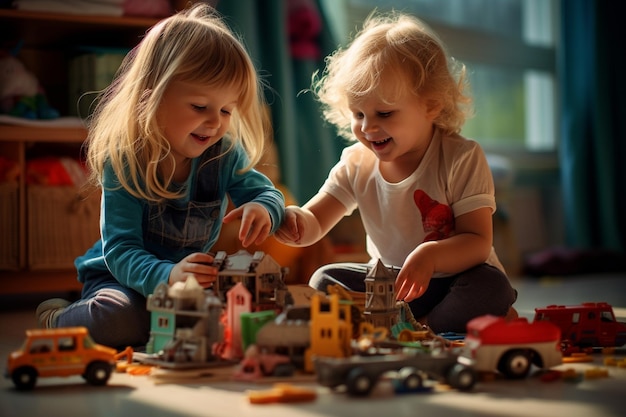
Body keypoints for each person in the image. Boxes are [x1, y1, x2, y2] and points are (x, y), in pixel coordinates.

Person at [36, 3, 285, 349]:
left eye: (226, 110)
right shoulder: (126, 159)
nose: (215, 122)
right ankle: (57, 319)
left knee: (233, 317)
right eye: (200, 107)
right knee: (123, 319)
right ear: (152, 97)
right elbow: (121, 250)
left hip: (189, 282)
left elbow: (269, 194)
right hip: (120, 279)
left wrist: (263, 208)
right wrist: (167, 275)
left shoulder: (224, 153)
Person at [275, 11, 517, 334]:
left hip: (457, 281)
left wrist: (430, 256)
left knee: (493, 287)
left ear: (431, 105)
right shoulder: (356, 163)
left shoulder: (461, 157)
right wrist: (294, 222)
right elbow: (317, 218)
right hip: (391, 286)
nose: (368, 127)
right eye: (358, 113)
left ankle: (423, 327)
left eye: (384, 113)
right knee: (323, 280)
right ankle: (400, 324)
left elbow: (477, 241)